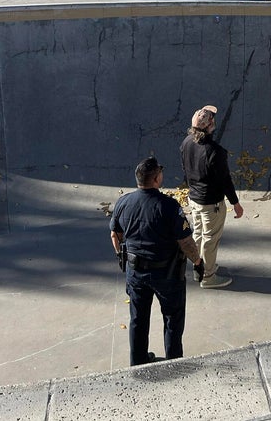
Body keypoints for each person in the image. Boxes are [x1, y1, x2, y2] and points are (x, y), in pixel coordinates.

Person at [109, 156, 204, 366]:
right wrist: (197, 261)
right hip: (167, 274)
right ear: (156, 179)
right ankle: (173, 364)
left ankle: (138, 362)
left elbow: (115, 234)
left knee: (138, 319)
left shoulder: (124, 202)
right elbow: (185, 241)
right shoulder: (169, 206)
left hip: (135, 273)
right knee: (172, 319)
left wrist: (121, 256)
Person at [180, 105, 244, 288]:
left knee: (199, 234)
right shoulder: (215, 151)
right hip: (211, 203)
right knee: (210, 239)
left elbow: (185, 171)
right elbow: (225, 181)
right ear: (210, 126)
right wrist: (236, 203)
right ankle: (208, 276)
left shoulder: (185, 143)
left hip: (194, 199)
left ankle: (198, 268)